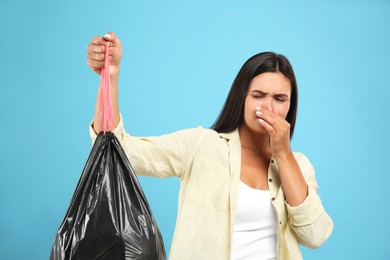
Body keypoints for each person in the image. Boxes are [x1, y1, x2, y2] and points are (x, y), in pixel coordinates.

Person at [86, 32, 333, 260]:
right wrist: (110, 77)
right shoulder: (201, 146)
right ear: (242, 97)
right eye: (258, 96)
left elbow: (315, 235)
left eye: (280, 99)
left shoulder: (298, 165)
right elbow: (121, 151)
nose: (268, 107)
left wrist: (283, 154)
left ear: (290, 106)